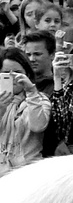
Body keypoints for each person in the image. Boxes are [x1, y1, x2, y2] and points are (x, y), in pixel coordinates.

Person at [0, 47, 50, 175]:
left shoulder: (39, 99)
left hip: (29, 172)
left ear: (27, 74)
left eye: (17, 73)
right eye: (6, 73)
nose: (12, 78)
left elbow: (38, 126)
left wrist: (31, 92)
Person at [19, 29, 55, 97]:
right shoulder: (20, 83)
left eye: (37, 54)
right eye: (28, 55)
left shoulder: (60, 85)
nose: (31, 59)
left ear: (52, 54)